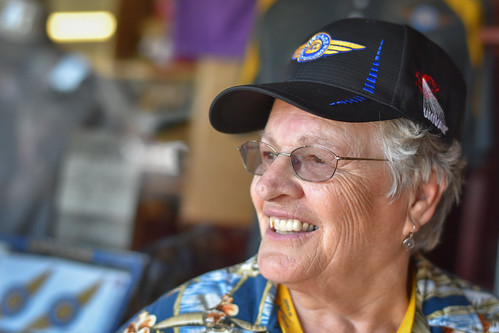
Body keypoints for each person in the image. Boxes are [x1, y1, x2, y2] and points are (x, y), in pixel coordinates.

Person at [119, 18, 499, 333]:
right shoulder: (177, 326)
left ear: (420, 197)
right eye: (268, 154)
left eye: (316, 158)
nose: (266, 185)